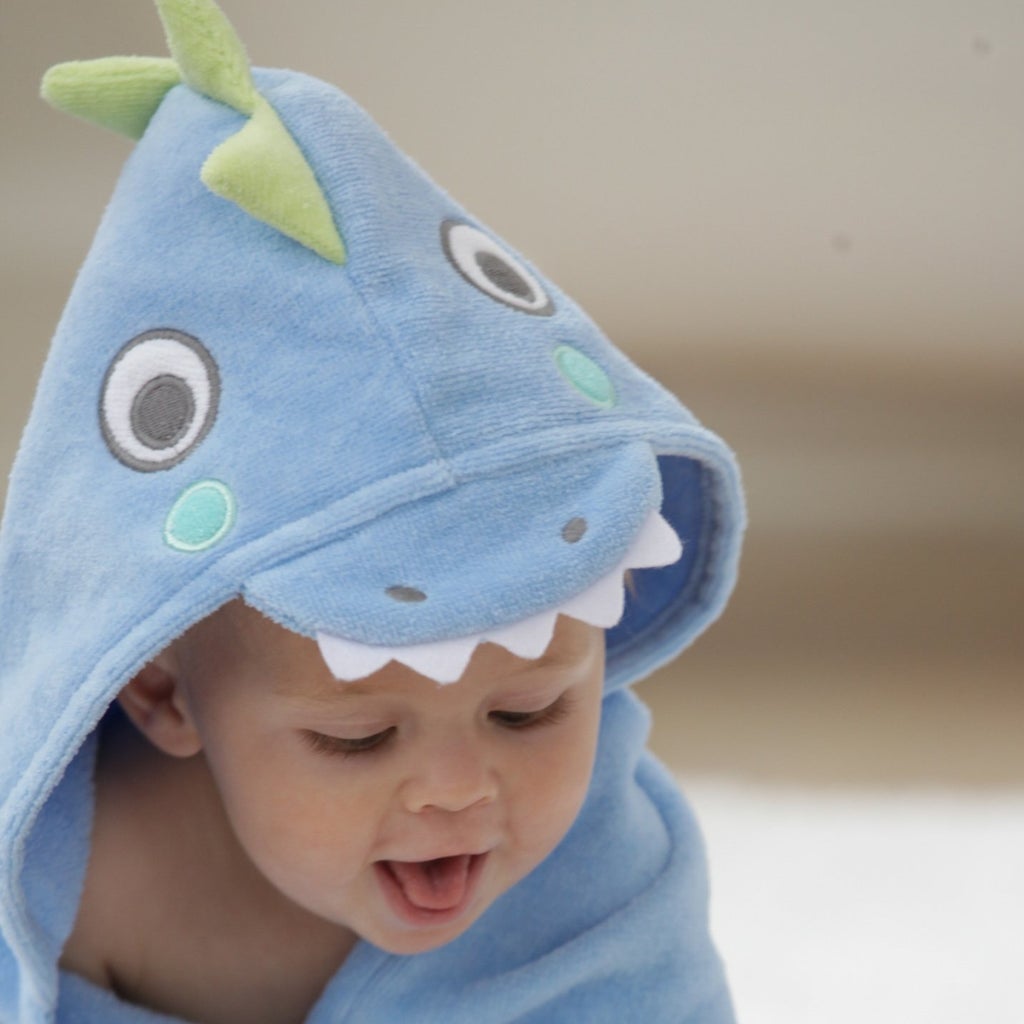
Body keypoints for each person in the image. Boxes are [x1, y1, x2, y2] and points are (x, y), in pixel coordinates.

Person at [0, 1, 746, 1022]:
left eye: (529, 712)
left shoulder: (599, 889)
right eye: (357, 737)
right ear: (159, 691)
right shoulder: (61, 875)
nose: (456, 788)